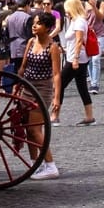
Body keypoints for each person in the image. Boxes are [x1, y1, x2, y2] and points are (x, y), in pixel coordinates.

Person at [16, 12, 60, 180]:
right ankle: (35, 163)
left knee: (35, 129)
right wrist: (17, 84)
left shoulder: (53, 47)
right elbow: (23, 66)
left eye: (38, 24)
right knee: (29, 129)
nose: (34, 26)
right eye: (34, 23)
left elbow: (56, 74)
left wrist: (57, 98)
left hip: (42, 90)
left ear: (48, 28)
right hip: (27, 87)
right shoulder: (31, 41)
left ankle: (51, 165)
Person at [50, 0, 94, 127]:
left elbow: (79, 41)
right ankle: (89, 116)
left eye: (67, 9)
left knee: (59, 85)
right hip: (78, 58)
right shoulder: (77, 20)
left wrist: (74, 58)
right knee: (82, 87)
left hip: (76, 59)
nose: (65, 12)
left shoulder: (79, 21)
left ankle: (55, 115)